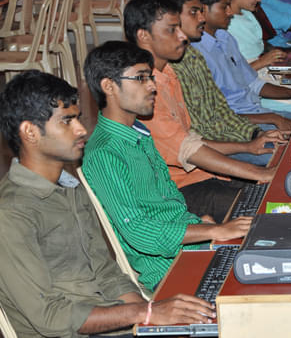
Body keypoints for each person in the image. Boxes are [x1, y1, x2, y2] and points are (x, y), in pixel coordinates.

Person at [0, 70, 217, 336]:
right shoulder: (11, 213)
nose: (81, 129)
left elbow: (106, 271)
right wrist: (145, 314)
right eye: (67, 121)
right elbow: (49, 317)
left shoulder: (69, 187)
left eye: (78, 118)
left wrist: (152, 319)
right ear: (30, 132)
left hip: (109, 320)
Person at [82, 42, 254, 292]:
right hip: (169, 270)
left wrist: (200, 225)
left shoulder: (139, 134)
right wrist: (214, 229)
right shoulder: (104, 153)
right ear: (108, 86)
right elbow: (140, 232)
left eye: (150, 77)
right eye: (141, 78)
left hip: (191, 250)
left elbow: (168, 202)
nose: (152, 86)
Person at [122, 0, 276, 191]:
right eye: (171, 30)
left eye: (180, 27)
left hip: (201, 174)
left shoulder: (168, 72)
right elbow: (187, 149)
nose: (182, 36)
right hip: (178, 189)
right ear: (143, 36)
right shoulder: (144, 89)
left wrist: (248, 147)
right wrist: (258, 172)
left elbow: (192, 138)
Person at [151, 0, 285, 167]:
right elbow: (199, 133)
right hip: (213, 149)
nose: (201, 18)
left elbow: (221, 112)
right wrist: (249, 144)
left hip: (232, 134)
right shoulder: (165, 71)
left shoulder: (193, 56)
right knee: (285, 158)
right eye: (194, 12)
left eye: (200, 11)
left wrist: (255, 134)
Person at [195, 0, 291, 120]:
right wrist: (272, 119)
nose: (230, 12)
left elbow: (253, 82)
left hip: (255, 107)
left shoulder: (226, 38)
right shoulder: (197, 53)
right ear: (204, 10)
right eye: (224, 7)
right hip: (240, 120)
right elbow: (218, 115)